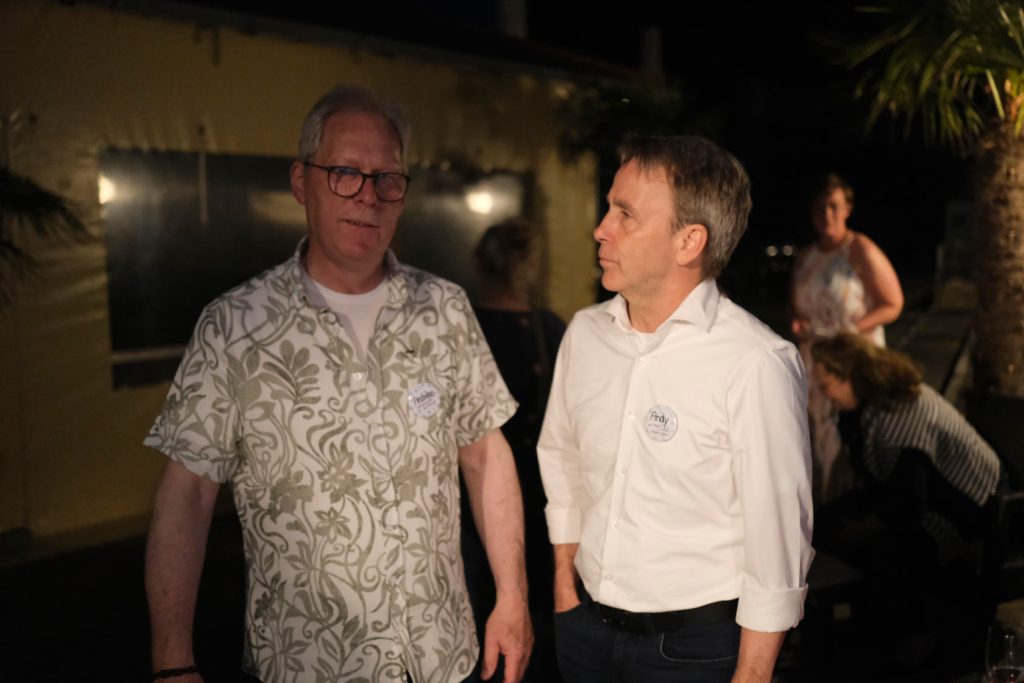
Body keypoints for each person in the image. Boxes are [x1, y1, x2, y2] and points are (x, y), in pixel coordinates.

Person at [143, 84, 533, 683]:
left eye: (387, 178)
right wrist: (172, 661)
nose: (368, 196)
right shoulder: (235, 325)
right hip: (307, 665)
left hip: (440, 658)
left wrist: (513, 596)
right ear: (302, 182)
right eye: (345, 173)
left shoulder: (444, 309)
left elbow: (486, 455)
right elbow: (187, 495)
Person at [538, 134, 814, 683]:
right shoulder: (585, 333)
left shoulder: (755, 362)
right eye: (608, 208)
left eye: (625, 214)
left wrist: (752, 675)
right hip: (584, 629)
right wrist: (565, 590)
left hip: (694, 653)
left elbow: (777, 543)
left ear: (689, 242)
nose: (601, 229)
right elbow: (561, 461)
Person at [810, 332, 1003, 669]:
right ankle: (867, 620)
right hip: (920, 498)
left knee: (886, 550)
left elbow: (906, 502)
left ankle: (914, 633)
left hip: (963, 510)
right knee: (822, 522)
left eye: (827, 385)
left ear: (851, 377)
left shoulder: (901, 409)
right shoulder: (868, 409)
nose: (824, 395)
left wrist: (860, 529)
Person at [460, 219, 566, 682]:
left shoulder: (464, 325)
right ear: (529, 266)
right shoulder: (546, 329)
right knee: (533, 605)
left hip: (473, 495)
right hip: (537, 492)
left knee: (481, 599)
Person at [788, 173, 904, 501]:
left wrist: (851, 331)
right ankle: (825, 506)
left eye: (834, 206)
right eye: (820, 208)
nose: (827, 214)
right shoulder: (806, 257)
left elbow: (893, 303)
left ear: (847, 210)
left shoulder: (859, 249)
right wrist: (797, 321)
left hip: (852, 361)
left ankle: (854, 506)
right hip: (815, 364)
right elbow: (795, 306)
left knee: (853, 439)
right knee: (818, 438)